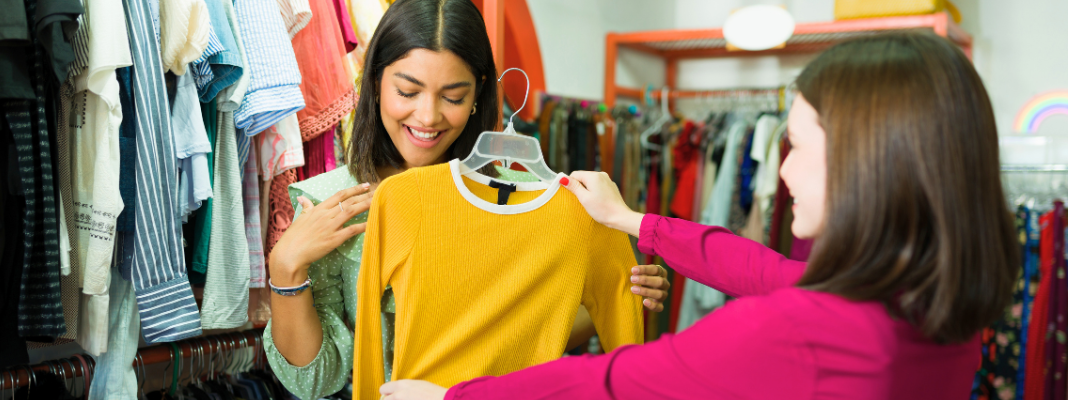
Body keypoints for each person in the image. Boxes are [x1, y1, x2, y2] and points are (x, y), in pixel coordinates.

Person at [379, 32, 1020, 400]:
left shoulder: (801, 330)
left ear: (873, 160)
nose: (784, 172)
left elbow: (616, 380)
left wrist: (452, 398)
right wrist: (634, 221)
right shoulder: (933, 307)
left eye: (801, 147)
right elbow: (759, 265)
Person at [263, 0, 670, 398]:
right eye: (408, 91)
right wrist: (285, 268)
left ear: (477, 95)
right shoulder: (325, 204)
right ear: (374, 83)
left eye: (453, 97)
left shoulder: (531, 198)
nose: (427, 116)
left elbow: (540, 332)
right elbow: (316, 382)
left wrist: (618, 295)